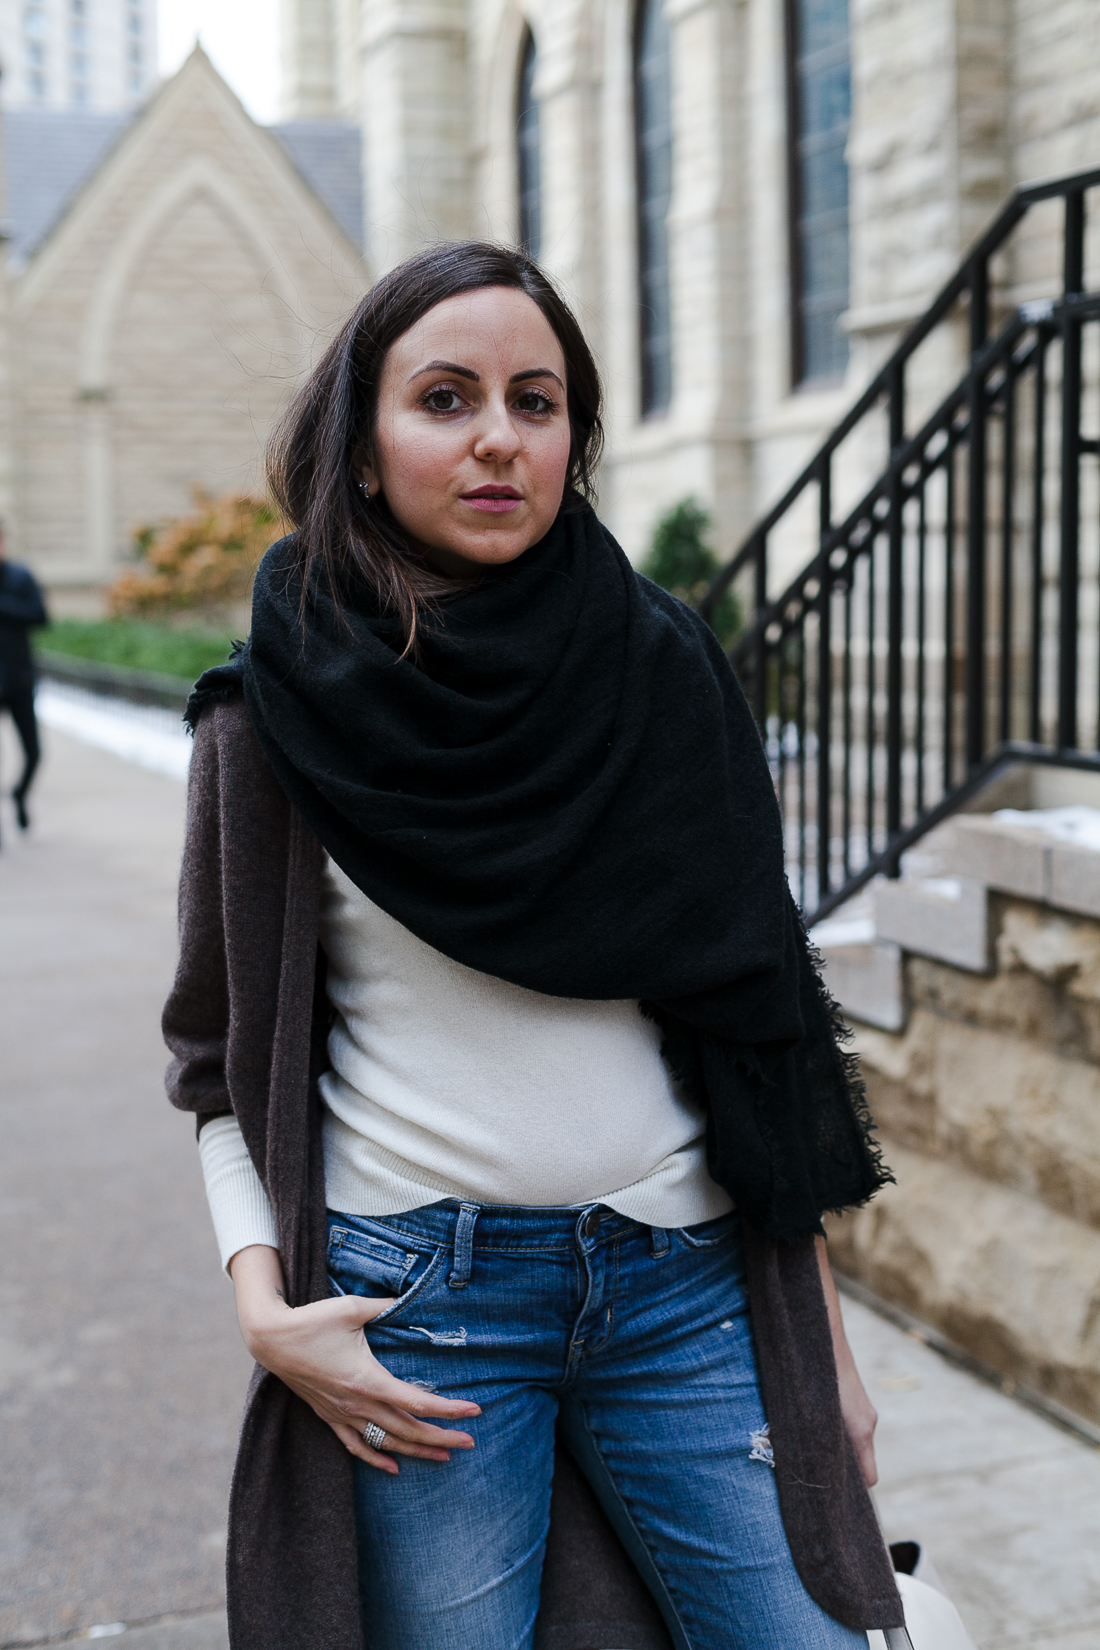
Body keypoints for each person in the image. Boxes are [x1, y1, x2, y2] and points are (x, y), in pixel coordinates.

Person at [164, 243, 907, 1650]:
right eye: (445, 398)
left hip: (686, 1291)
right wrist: (264, 1307)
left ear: (575, 437)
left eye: (538, 398)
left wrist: (828, 1361)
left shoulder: (668, 675)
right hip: (423, 1319)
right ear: (366, 449)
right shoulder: (267, 722)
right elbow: (212, 1058)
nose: (500, 435)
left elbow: (763, 1031)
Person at [0, 524, 48, 837]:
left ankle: (19, 793)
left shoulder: (20, 576)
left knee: (34, 753)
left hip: (18, 679)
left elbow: (41, 617)